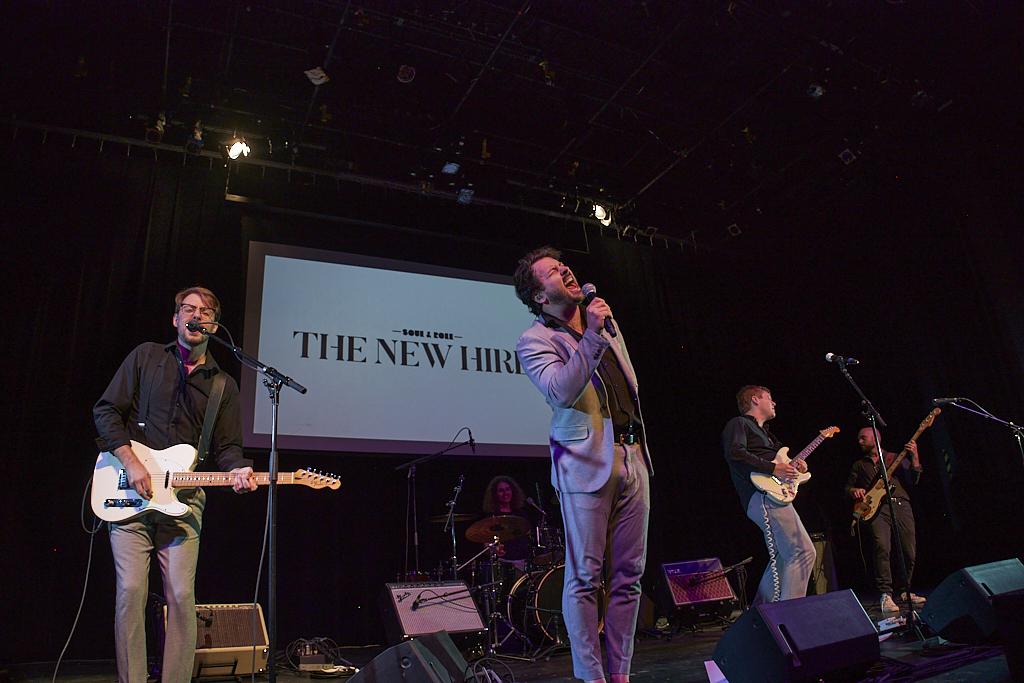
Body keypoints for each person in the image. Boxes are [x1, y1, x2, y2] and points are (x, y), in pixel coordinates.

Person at [94, 287, 257, 683]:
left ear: (214, 325)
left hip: (185, 502)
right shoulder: (147, 357)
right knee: (131, 591)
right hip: (130, 494)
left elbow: (228, 448)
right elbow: (106, 411)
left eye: (205, 312)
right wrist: (130, 460)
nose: (196, 315)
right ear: (176, 318)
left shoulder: (223, 385)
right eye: (189, 309)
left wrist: (239, 471)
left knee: (183, 598)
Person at [514, 247, 652, 683]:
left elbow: (628, 386)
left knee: (629, 575)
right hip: (584, 463)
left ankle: (620, 675)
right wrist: (591, 336)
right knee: (586, 577)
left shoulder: (604, 322)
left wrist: (598, 330)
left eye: (563, 265)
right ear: (539, 296)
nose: (566, 270)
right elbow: (560, 392)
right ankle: (591, 678)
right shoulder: (534, 340)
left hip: (632, 454)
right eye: (553, 272)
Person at [722, 385, 816, 605]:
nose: (774, 403)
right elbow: (735, 452)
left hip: (772, 495)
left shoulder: (768, 436)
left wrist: (796, 468)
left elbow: (781, 464)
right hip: (762, 495)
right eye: (770, 398)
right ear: (755, 399)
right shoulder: (739, 423)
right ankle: (790, 617)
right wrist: (772, 469)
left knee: (783, 559)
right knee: (802, 552)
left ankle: (760, 615)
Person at [846, 427, 924, 613]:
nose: (860, 442)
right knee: (882, 547)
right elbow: (848, 487)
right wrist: (853, 491)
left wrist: (914, 457)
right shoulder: (859, 465)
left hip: (900, 505)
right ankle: (886, 594)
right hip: (877, 510)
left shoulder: (894, 458)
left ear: (875, 438)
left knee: (909, 550)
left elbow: (913, 479)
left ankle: (905, 589)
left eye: (863, 438)